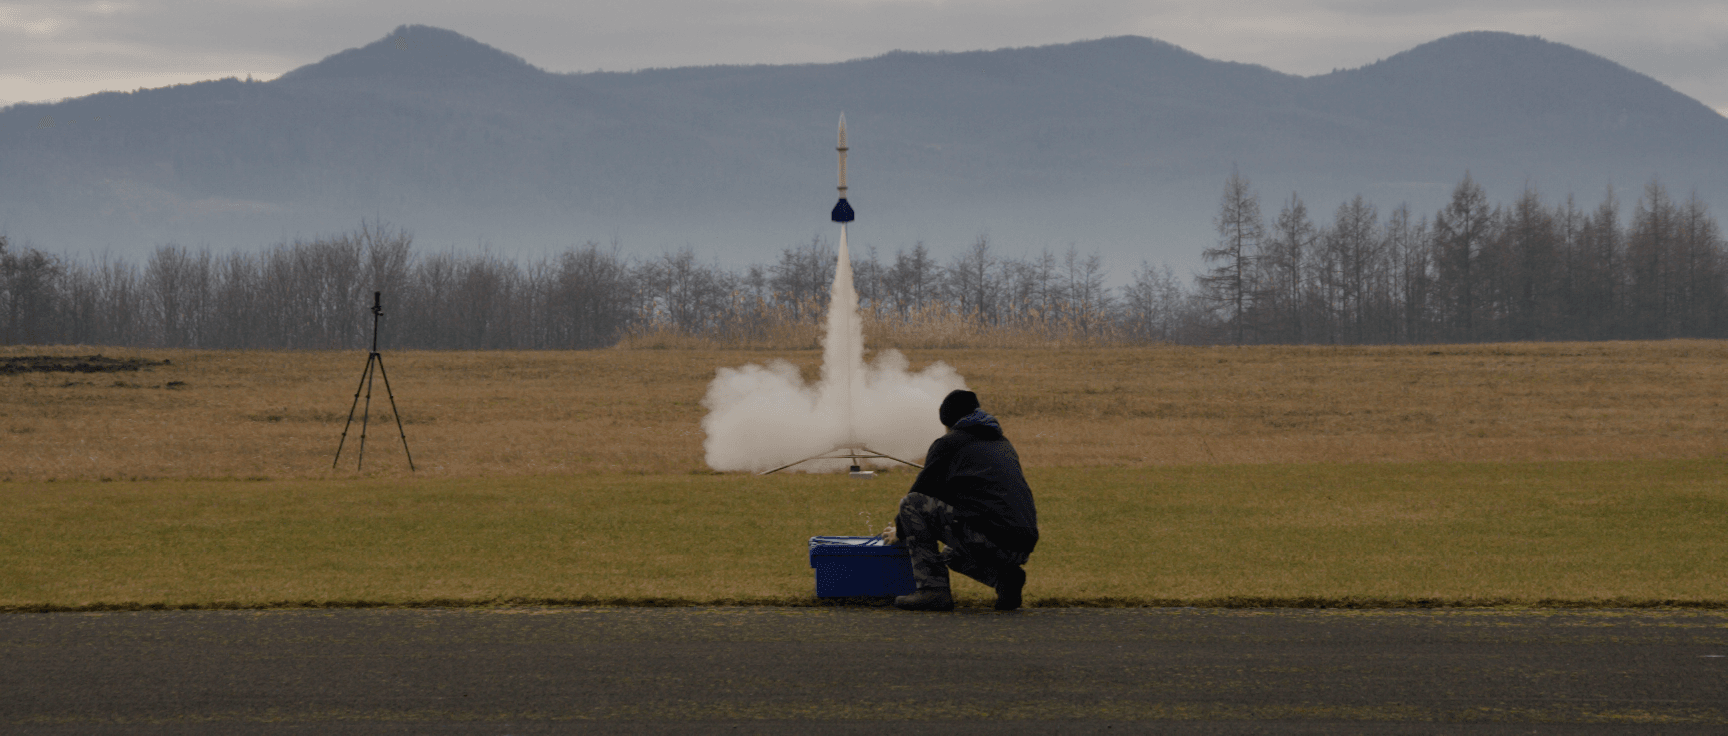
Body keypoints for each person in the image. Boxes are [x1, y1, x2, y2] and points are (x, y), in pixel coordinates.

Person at [883, 389, 1038, 611]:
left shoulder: (949, 443)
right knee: (951, 556)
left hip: (991, 539)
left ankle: (932, 590)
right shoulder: (1002, 443)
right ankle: (1005, 579)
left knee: (911, 504)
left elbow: (921, 492)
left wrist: (899, 531)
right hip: (1020, 545)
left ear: (947, 421)